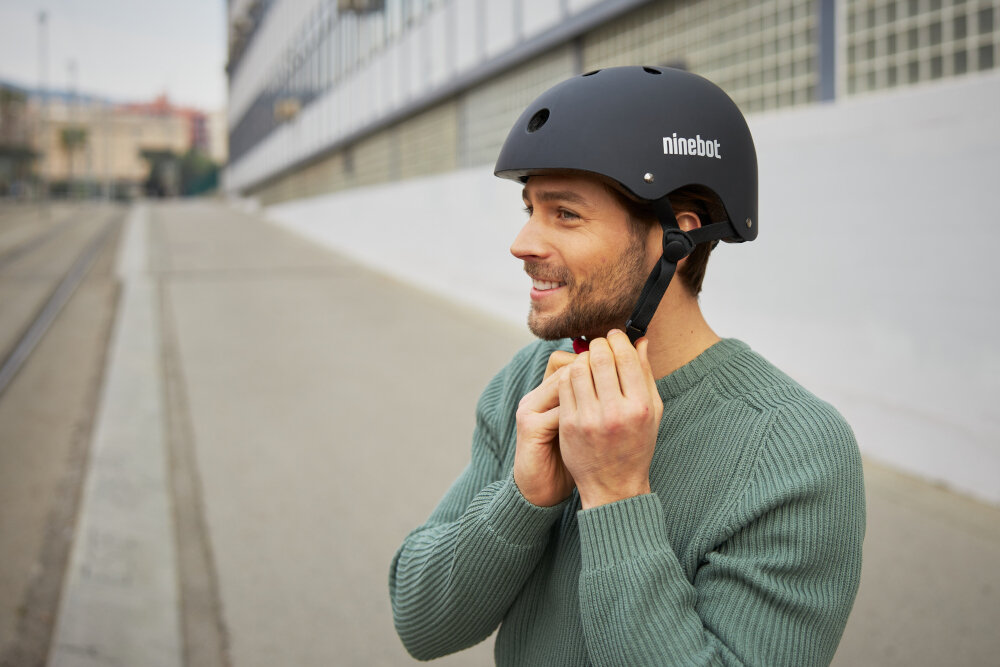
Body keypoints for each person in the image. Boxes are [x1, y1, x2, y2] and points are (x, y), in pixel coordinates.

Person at [389, 66, 865, 666]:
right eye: (530, 208)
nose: (522, 242)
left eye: (565, 214)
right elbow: (420, 622)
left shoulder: (793, 449)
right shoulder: (531, 378)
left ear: (677, 236)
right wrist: (524, 497)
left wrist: (615, 495)